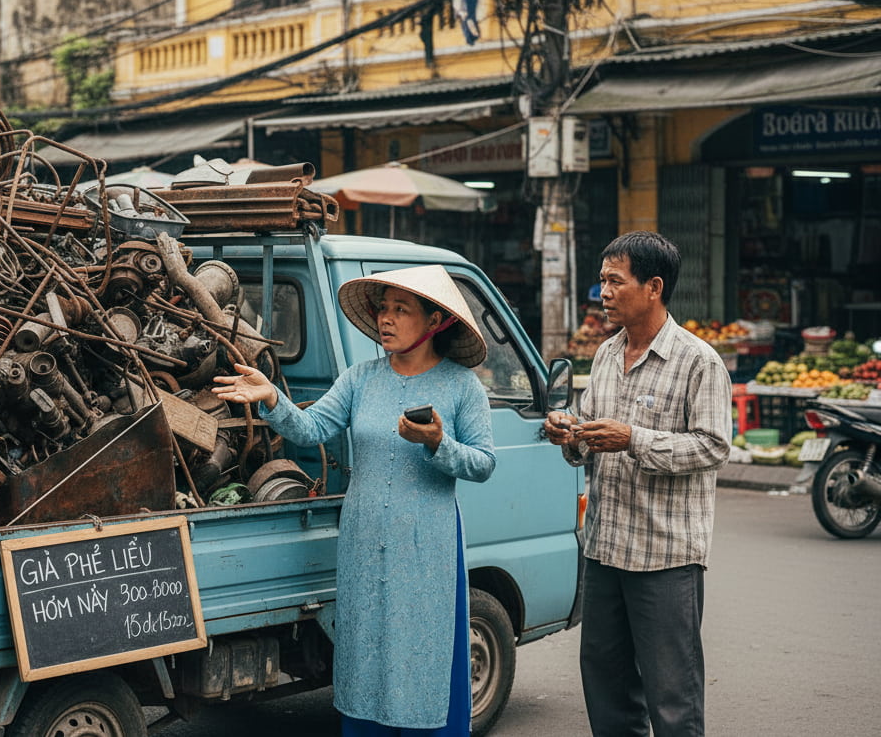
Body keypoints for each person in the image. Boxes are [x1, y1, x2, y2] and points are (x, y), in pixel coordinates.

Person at [213, 264, 495, 735]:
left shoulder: (462, 387)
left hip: (427, 543)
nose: (386, 318)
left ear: (435, 322)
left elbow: (484, 464)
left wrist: (437, 443)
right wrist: (271, 400)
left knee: (422, 654)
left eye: (400, 309)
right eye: (382, 308)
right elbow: (312, 428)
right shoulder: (359, 378)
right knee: (365, 651)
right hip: (363, 541)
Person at [542, 231, 731, 737]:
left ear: (653, 286)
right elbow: (590, 433)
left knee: (673, 697)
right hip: (605, 548)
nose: (603, 291)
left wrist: (635, 440)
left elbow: (713, 446)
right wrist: (572, 432)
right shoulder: (605, 354)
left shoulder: (699, 361)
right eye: (601, 280)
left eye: (614, 281)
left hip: (665, 555)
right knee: (606, 685)